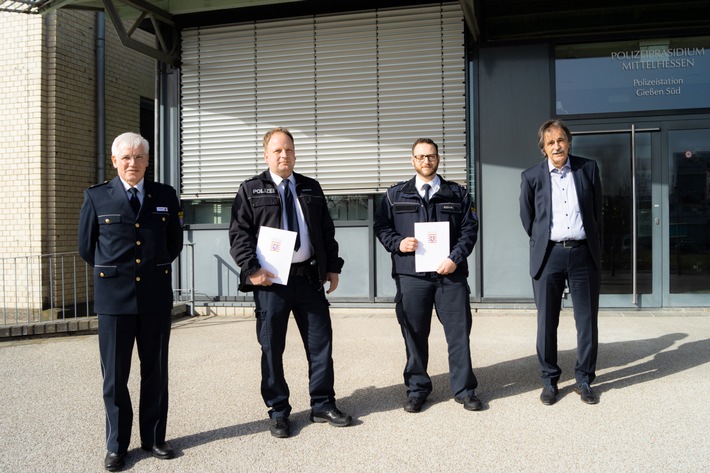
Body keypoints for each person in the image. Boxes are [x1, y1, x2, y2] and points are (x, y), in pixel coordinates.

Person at [229, 127, 351, 439]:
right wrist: (252, 269)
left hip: (309, 279)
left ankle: (323, 404)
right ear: (266, 154)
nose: (285, 156)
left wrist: (332, 267)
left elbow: (326, 231)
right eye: (278, 151)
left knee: (320, 344)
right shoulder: (250, 189)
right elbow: (239, 235)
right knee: (272, 348)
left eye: (290, 150)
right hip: (271, 283)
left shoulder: (311, 187)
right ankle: (279, 411)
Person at [78, 132, 184, 471]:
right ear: (114, 161)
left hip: (154, 298)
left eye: (139, 157)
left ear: (147, 161)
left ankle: (153, 438)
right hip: (114, 301)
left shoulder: (165, 195)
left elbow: (174, 243)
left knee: (155, 372)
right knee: (115, 377)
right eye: (126, 157)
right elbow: (86, 247)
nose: (132, 163)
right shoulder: (97, 197)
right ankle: (116, 446)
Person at [374, 138, 482, 413]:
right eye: (420, 157)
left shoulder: (457, 193)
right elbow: (381, 227)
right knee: (414, 334)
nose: (426, 161)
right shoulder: (394, 195)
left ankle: (465, 390)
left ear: (438, 159)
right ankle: (417, 390)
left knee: (458, 334)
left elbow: (469, 230)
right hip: (411, 276)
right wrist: (398, 243)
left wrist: (454, 259)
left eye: (431, 156)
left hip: (450, 275)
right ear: (413, 160)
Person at [519, 119, 602, 406]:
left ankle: (584, 379)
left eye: (561, 140)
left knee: (587, 320)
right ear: (543, 148)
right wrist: (546, 240)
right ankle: (549, 380)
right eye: (551, 142)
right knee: (546, 322)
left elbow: (596, 212)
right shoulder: (531, 176)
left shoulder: (587, 168)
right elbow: (528, 219)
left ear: (569, 142)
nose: (557, 145)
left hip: (582, 254)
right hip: (549, 255)